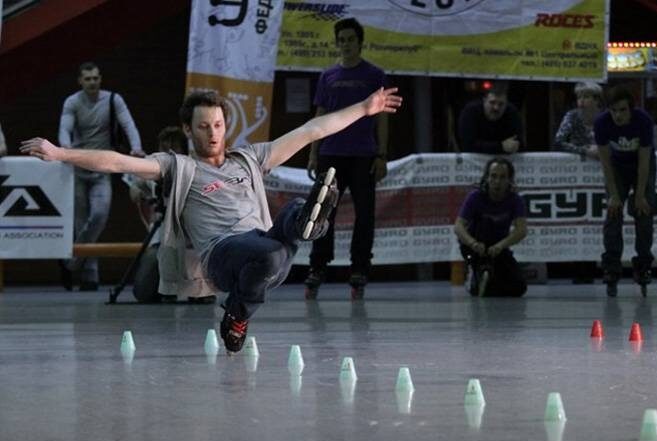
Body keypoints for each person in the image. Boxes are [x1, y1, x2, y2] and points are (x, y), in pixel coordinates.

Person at [22, 86, 403, 353]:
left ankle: (311, 222)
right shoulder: (178, 167)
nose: (213, 133)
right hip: (223, 257)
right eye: (203, 127)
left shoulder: (249, 158)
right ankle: (242, 308)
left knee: (288, 221)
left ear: (226, 125)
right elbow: (119, 161)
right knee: (274, 252)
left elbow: (310, 131)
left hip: (265, 244)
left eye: (218, 125)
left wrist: (364, 109)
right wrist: (61, 153)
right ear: (188, 130)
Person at [305, 17, 390, 300]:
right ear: (336, 43)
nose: (346, 45)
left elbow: (382, 119)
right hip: (331, 153)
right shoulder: (327, 76)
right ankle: (318, 267)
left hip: (364, 155)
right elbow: (319, 117)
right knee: (322, 211)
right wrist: (313, 153)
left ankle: (359, 269)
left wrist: (381, 155)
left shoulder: (374, 75)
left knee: (364, 215)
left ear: (360, 42)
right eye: (341, 40)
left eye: (351, 40)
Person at [58, 61, 145, 291]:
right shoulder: (72, 102)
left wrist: (136, 148)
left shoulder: (113, 99)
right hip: (77, 168)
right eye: (88, 79)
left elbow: (129, 125)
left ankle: (70, 263)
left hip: (102, 169)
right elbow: (64, 129)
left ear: (100, 79)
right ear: (80, 81)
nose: (92, 82)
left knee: (97, 217)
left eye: (96, 78)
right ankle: (90, 277)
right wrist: (64, 148)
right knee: (81, 223)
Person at [125, 126, 218, 303]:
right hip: (162, 239)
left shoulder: (195, 170)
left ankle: (198, 287)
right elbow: (136, 186)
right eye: (164, 148)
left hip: (192, 241)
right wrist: (136, 191)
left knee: (201, 294)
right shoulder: (152, 169)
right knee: (144, 293)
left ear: (183, 150)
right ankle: (166, 288)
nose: (169, 153)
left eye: (174, 148)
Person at [594, 86, 657, 297]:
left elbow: (645, 161)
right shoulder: (602, 123)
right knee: (613, 215)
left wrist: (639, 195)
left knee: (644, 212)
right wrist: (613, 194)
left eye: (622, 110)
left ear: (631, 109)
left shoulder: (643, 121)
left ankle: (643, 263)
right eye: (614, 111)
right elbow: (605, 162)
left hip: (641, 165)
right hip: (617, 167)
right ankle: (611, 267)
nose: (618, 116)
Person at [454, 157, 527, 297]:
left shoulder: (515, 200)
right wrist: (473, 243)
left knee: (519, 287)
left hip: (498, 246)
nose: (497, 182)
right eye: (493, 176)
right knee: (479, 288)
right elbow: (458, 226)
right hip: (475, 245)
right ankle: (473, 274)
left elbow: (521, 230)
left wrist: (501, 246)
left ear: (509, 180)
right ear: (487, 177)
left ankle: (490, 280)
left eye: (502, 177)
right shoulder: (475, 197)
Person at [554, 81, 603, 284]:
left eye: (586, 97)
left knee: (598, 219)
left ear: (596, 100)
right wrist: (584, 151)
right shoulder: (572, 116)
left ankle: (599, 266)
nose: (581, 102)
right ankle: (579, 269)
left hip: (602, 176)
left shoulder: (606, 117)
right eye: (579, 98)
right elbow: (559, 141)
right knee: (579, 218)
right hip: (577, 177)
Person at [458, 82, 524, 154]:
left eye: (501, 104)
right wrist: (500, 146)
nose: (496, 108)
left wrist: (513, 146)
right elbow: (467, 145)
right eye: (492, 102)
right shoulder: (471, 111)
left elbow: (519, 143)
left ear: (506, 103)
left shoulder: (512, 113)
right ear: (484, 100)